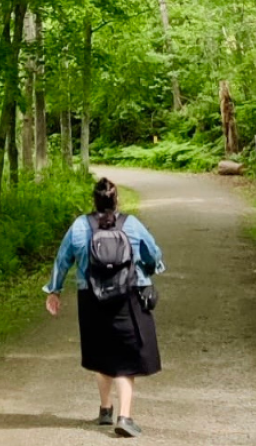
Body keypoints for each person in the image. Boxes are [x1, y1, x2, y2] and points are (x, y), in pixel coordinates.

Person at [43, 177, 165, 438]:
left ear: (93, 200)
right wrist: (149, 271)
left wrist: (54, 290)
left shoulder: (78, 226)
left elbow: (62, 259)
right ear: (116, 199)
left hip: (91, 297)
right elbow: (152, 253)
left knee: (101, 352)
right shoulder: (131, 224)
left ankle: (105, 409)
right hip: (128, 295)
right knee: (126, 359)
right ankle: (125, 417)